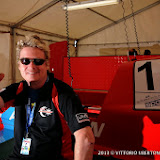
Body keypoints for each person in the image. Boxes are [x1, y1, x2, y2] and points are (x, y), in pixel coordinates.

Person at [0, 35, 95, 160]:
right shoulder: (17, 89)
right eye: (25, 61)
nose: (31, 66)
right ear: (19, 65)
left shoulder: (62, 93)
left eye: (38, 61)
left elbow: (86, 138)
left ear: (47, 64)